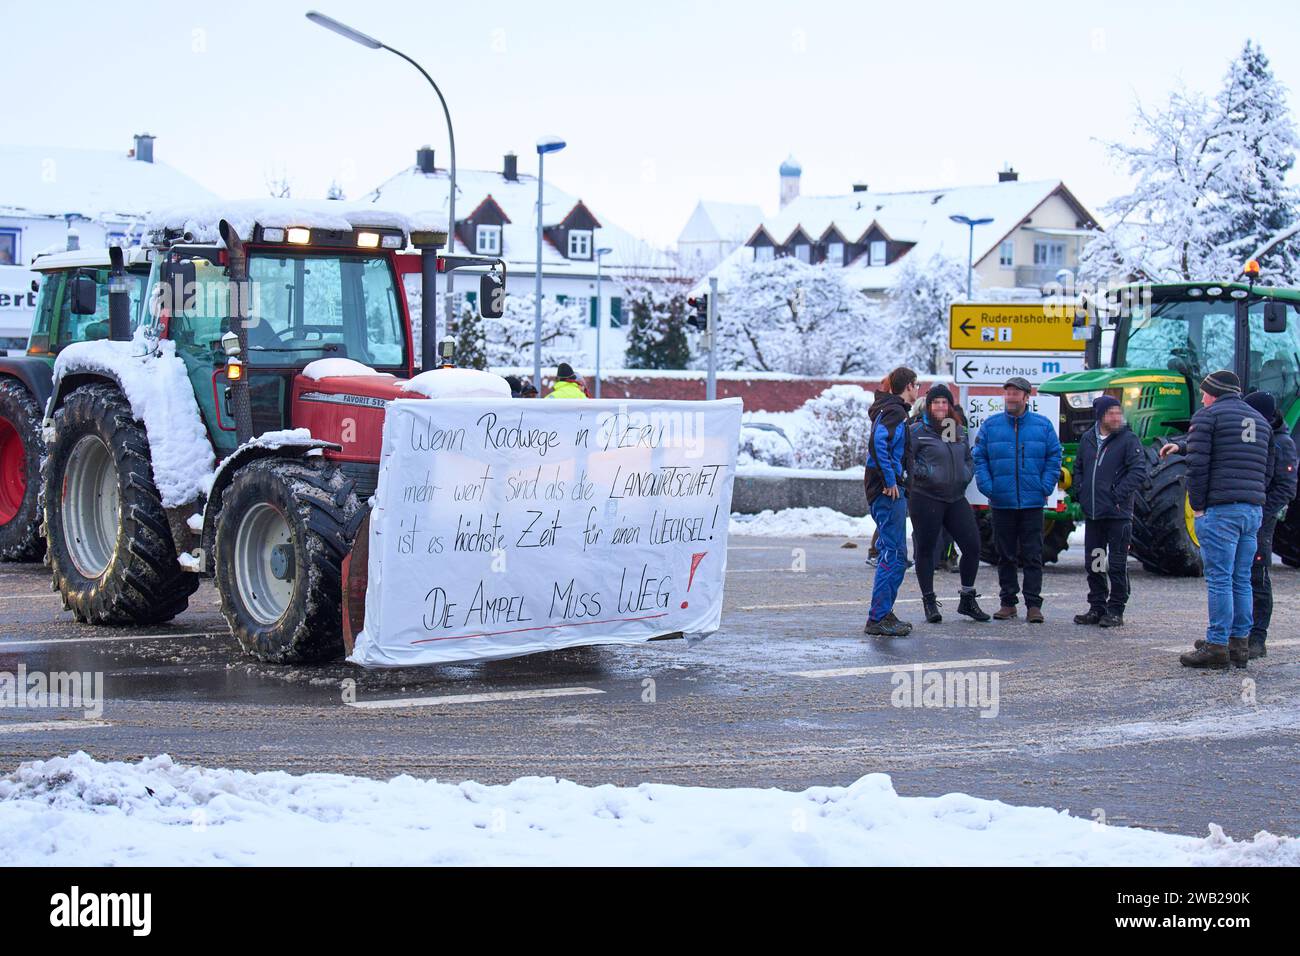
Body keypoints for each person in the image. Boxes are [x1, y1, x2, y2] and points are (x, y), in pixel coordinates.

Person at [1162, 371, 1271, 669]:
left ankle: (1217, 646)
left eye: (1203, 392)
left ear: (1213, 393)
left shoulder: (1207, 417)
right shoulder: (1259, 420)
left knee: (1220, 579)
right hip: (1251, 510)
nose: (1201, 398)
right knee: (1241, 578)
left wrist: (1197, 506)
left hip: (1220, 510)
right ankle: (1239, 645)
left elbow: (1197, 467)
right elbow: (1261, 465)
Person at [972, 376, 1063, 624]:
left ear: (1026, 397)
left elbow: (1055, 457)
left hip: (1032, 502)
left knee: (1033, 555)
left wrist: (1045, 486)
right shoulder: (990, 426)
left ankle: (1033, 605)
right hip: (1002, 502)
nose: (1011, 397)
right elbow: (979, 458)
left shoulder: (1043, 426)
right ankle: (1008, 603)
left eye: (1015, 393)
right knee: (1005, 555)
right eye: (1008, 393)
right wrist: (988, 487)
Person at [906, 383, 990, 623]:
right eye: (936, 402)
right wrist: (925, 472)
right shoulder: (917, 430)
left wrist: (965, 474)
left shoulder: (957, 430)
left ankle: (967, 598)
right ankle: (929, 602)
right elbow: (907, 460)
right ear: (928, 406)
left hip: (955, 497)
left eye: (944, 402)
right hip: (926, 496)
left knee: (973, 546)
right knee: (926, 549)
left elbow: (966, 457)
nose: (940, 407)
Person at [1071, 395, 1144, 628]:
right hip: (1094, 513)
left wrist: (1116, 495)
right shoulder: (1087, 439)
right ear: (1100, 415)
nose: (1115, 416)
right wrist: (1081, 491)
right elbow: (1079, 468)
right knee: (1095, 562)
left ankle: (1115, 610)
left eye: (1117, 412)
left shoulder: (1128, 440)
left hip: (1118, 514)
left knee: (1117, 563)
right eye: (1110, 412)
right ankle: (1097, 607)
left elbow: (1138, 472)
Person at [863, 366, 919, 637]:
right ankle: (878, 617)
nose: (918, 391)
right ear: (908, 386)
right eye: (916, 385)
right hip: (887, 493)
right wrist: (890, 481)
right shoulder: (894, 411)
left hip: (886, 491)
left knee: (893, 552)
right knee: (895, 554)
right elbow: (879, 443)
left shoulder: (890, 410)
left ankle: (883, 611)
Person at [1243, 390, 1297, 658]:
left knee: (1258, 575)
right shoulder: (1252, 434)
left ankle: (1257, 637)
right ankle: (1238, 633)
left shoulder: (1282, 442)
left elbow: (1286, 488)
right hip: (1246, 514)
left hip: (1262, 519)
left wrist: (1261, 512)